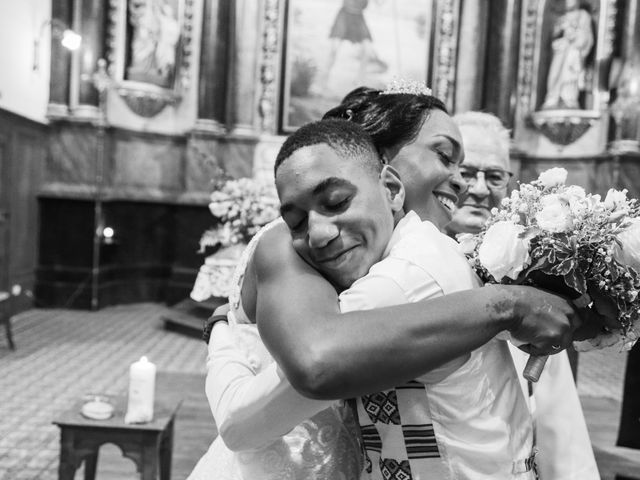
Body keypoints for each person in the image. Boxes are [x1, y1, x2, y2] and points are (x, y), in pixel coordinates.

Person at [188, 90, 593, 480]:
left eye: (336, 202)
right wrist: (223, 332)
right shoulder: (299, 248)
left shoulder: (414, 265)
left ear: (390, 188)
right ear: (388, 172)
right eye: (445, 156)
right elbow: (292, 382)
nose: (464, 183)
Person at [447, 111, 600, 480]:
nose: (481, 188)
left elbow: (558, 424)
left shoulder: (533, 279)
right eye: (467, 173)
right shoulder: (407, 263)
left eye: (495, 176)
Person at [541, 0, 594, 109]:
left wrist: (575, 36)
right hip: (561, 50)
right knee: (555, 73)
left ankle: (568, 99)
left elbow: (586, 37)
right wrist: (561, 29)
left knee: (569, 75)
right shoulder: (562, 17)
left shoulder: (584, 16)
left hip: (573, 51)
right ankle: (552, 98)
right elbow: (554, 37)